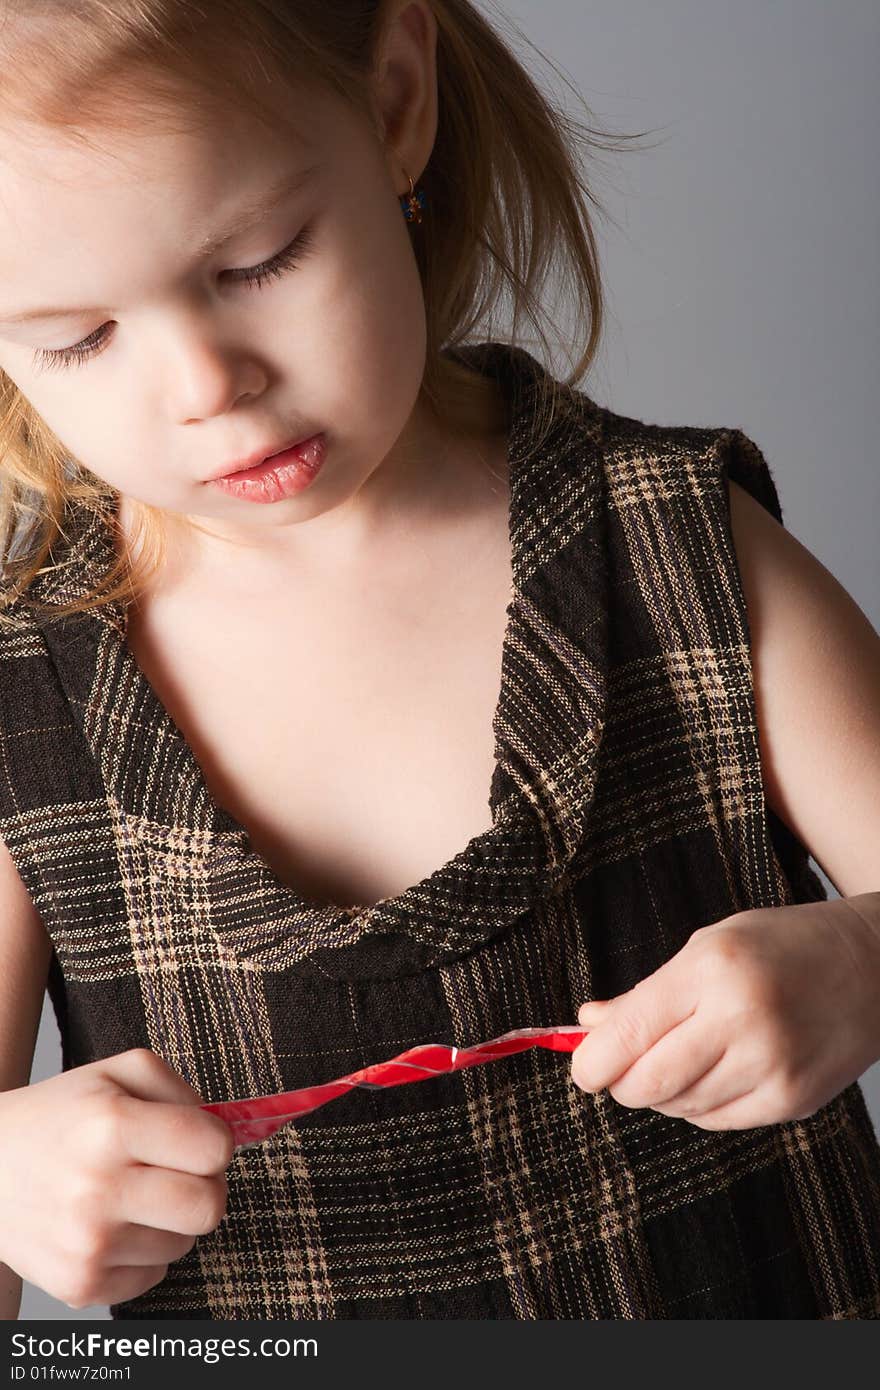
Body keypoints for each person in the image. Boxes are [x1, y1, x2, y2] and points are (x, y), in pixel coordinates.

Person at [0, 0, 878, 1322]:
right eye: (76, 337)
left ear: (398, 102)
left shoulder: (678, 548)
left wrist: (863, 963)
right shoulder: (23, 696)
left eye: (256, 258)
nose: (205, 383)